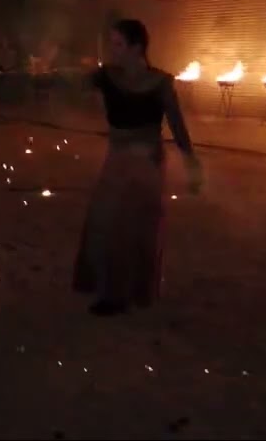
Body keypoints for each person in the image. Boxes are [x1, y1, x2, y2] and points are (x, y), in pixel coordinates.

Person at [73, 18, 202, 317]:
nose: (113, 50)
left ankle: (120, 294)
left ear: (137, 47)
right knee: (105, 223)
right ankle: (109, 288)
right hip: (117, 160)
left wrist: (191, 163)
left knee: (133, 227)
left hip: (147, 161)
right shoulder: (107, 76)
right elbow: (69, 85)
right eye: (112, 43)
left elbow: (177, 125)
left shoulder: (160, 82)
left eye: (118, 44)